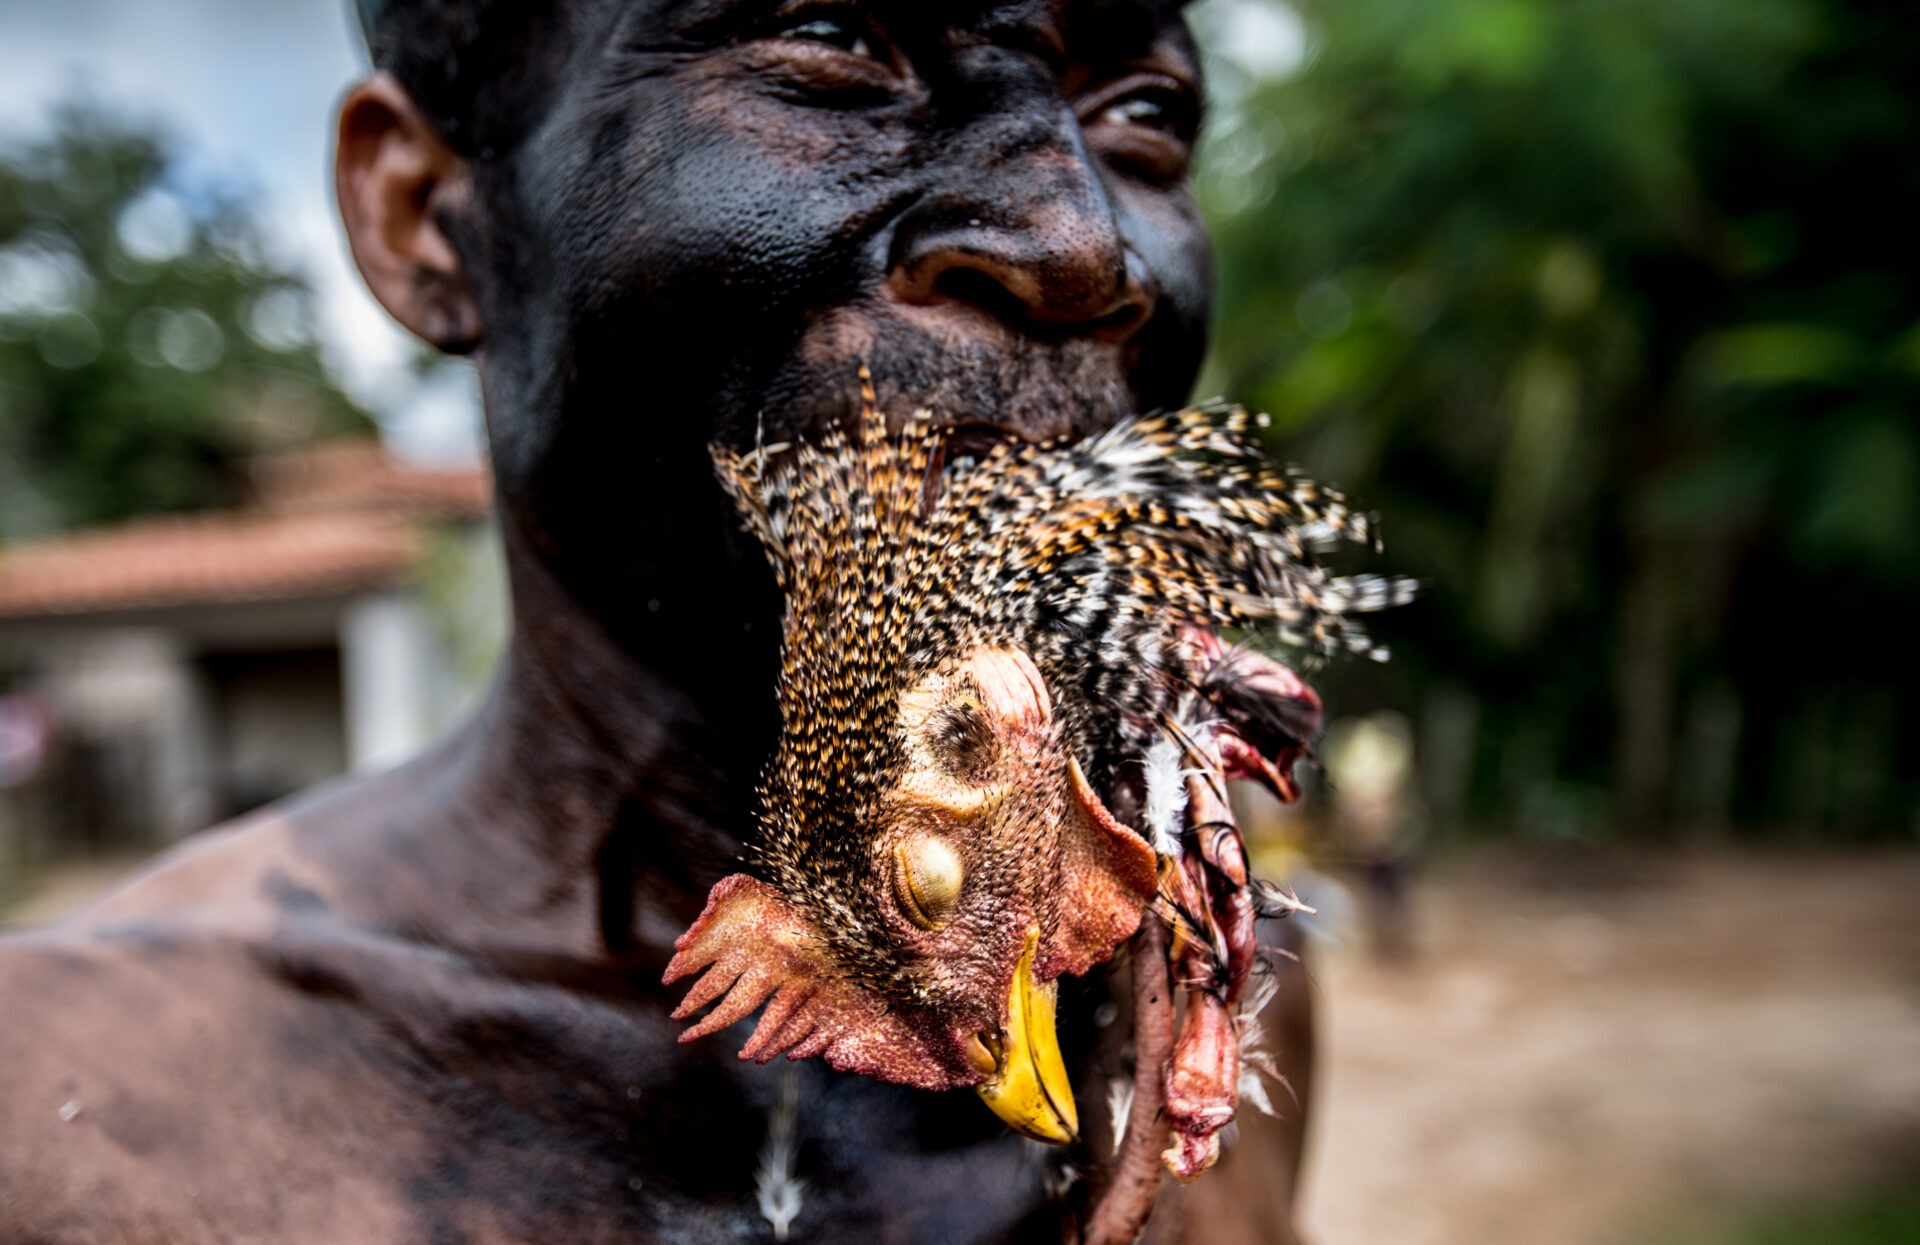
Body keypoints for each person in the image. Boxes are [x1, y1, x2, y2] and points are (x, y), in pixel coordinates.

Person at [0, 2, 1311, 1239]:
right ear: (424, 212)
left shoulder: (1210, 1001)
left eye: (1143, 111)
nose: (1078, 246)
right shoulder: (77, 1122)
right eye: (832, 38)